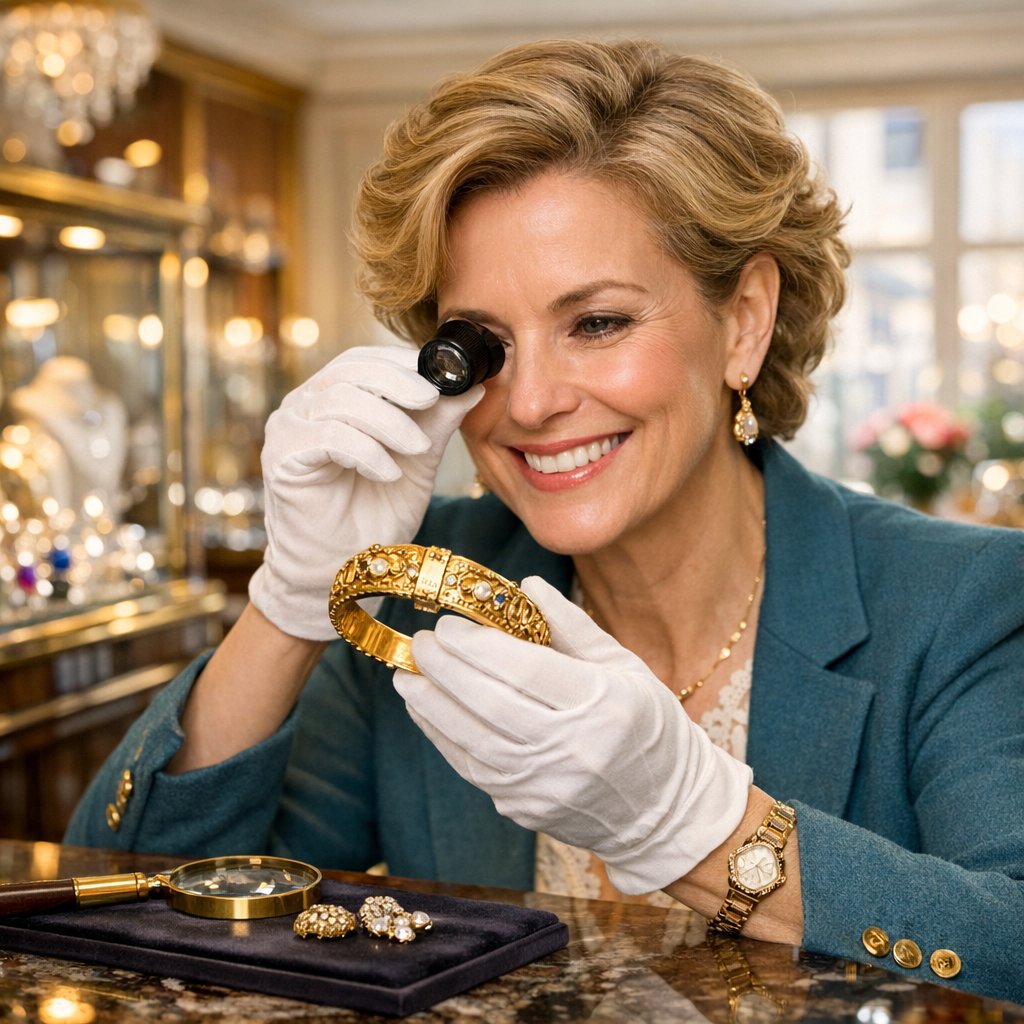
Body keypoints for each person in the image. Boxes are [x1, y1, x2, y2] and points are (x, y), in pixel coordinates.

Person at [66, 38, 1024, 1003]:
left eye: (597, 323)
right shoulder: (416, 603)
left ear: (743, 320)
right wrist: (290, 604)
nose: (527, 405)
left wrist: (699, 830)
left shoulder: (960, 602)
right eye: (483, 345)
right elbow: (125, 920)